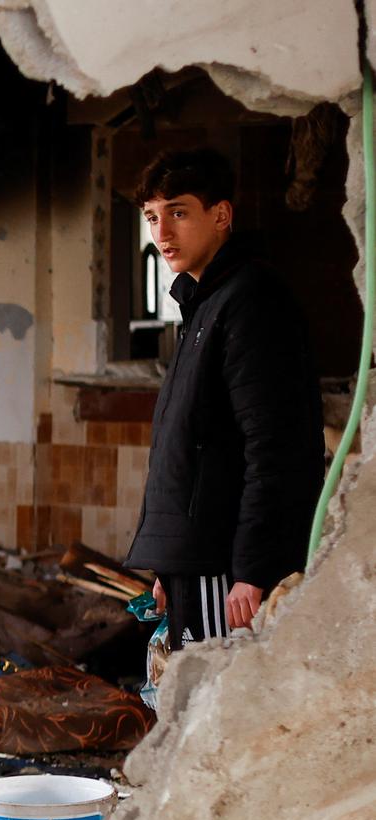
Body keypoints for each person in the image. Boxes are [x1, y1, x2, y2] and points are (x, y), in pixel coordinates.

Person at [126, 148, 324, 648]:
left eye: (178, 212)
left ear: (220, 215)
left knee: (215, 712)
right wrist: (169, 564)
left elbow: (275, 443)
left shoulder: (251, 300)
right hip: (199, 562)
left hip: (228, 570)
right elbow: (190, 445)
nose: (162, 233)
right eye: (152, 217)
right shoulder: (204, 302)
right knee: (192, 711)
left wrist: (254, 567)